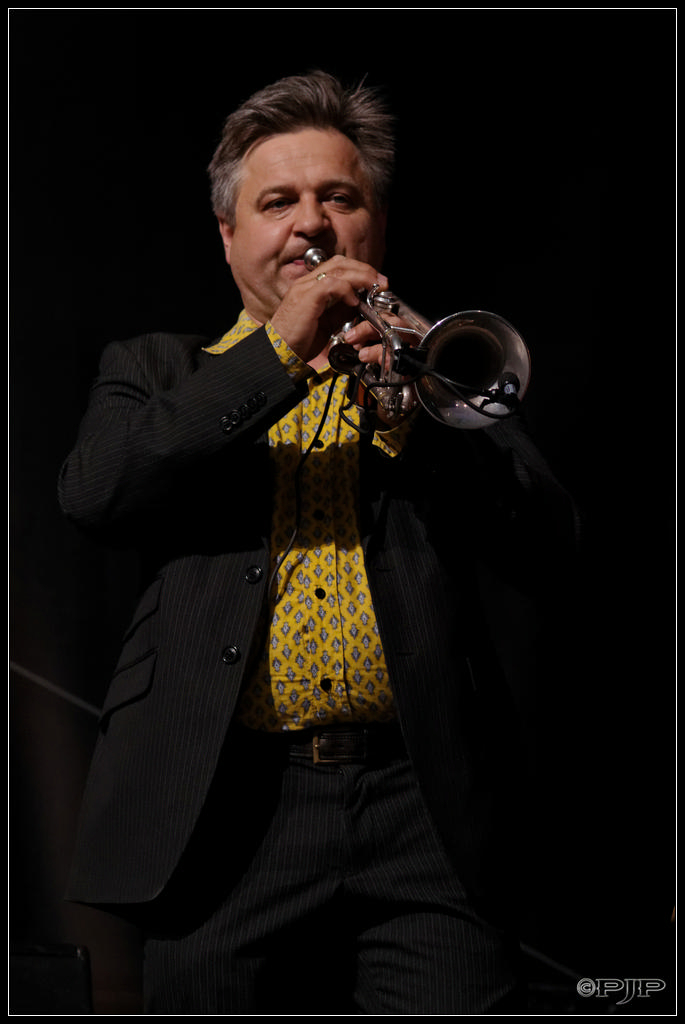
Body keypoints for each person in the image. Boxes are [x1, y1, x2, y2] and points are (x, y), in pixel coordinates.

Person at [59, 71, 578, 1014]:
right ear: (229, 237)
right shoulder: (157, 369)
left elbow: (548, 544)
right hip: (222, 812)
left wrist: (420, 410)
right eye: (279, 202)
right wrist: (280, 353)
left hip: (422, 810)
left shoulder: (431, 366)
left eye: (339, 197)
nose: (312, 223)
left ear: (374, 224)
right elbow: (98, 495)